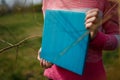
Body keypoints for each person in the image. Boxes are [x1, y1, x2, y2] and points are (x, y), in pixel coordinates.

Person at [38, 0, 120, 80]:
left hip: (90, 76)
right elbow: (51, 35)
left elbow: (117, 39)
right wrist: (45, 52)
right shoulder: (48, 1)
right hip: (54, 76)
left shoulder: (107, 1)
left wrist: (96, 37)